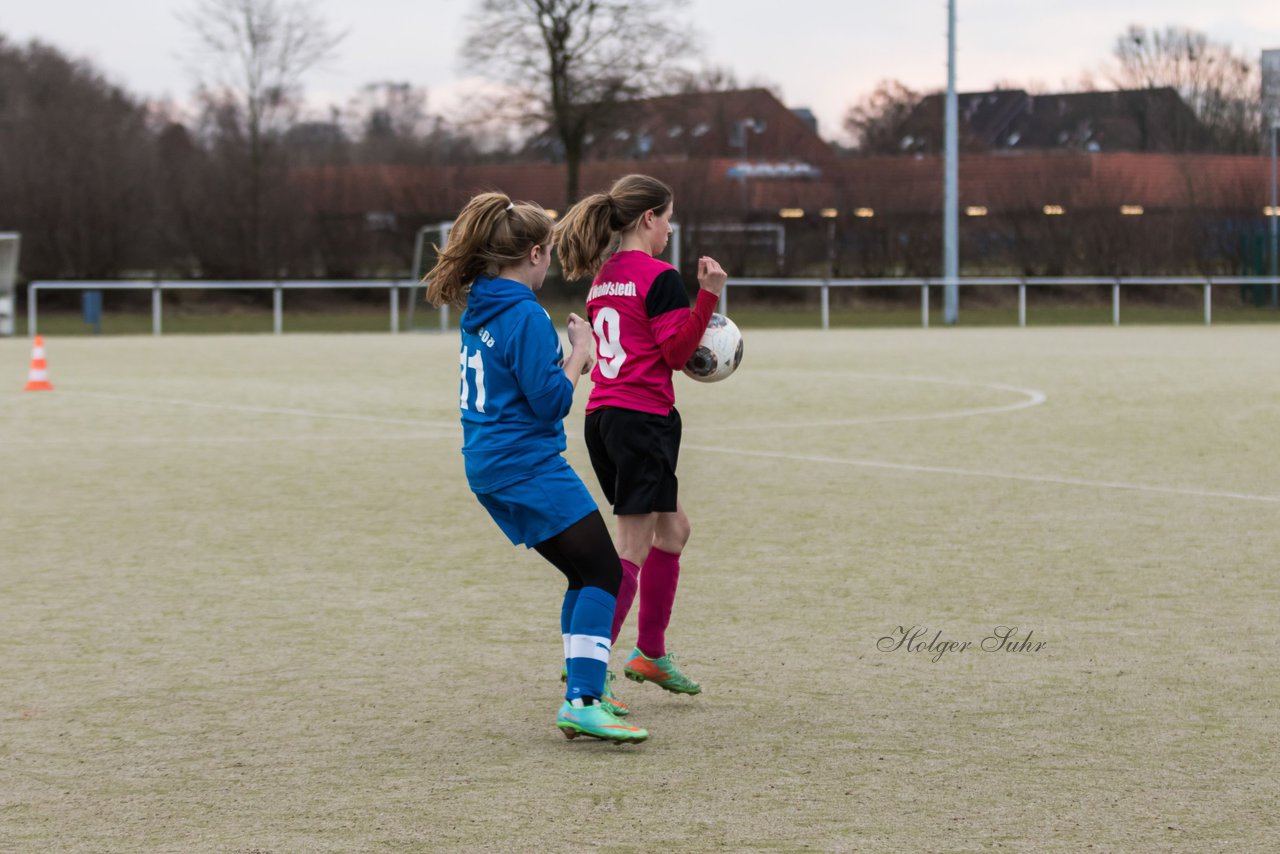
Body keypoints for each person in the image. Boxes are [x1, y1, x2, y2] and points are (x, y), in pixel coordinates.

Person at [424, 191, 647, 744]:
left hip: (492, 464)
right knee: (604, 572)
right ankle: (583, 700)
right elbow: (549, 401)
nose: (550, 263)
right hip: (524, 464)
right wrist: (578, 352)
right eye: (547, 253)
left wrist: (563, 362)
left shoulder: (482, 305)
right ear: (533, 253)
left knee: (584, 573)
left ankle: (585, 691)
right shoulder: (522, 311)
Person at [554, 174, 727, 697]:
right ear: (648, 218)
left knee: (672, 531)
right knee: (629, 550)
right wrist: (709, 299)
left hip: (604, 420)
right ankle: (590, 668)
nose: (671, 229)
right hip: (641, 420)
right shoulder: (659, 277)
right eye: (668, 218)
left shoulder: (604, 277)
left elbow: (636, 342)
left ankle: (650, 653)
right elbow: (675, 354)